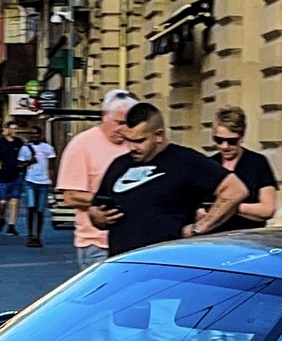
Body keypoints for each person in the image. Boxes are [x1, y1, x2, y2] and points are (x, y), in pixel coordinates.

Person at [84, 102, 248, 256]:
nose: (132, 147)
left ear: (159, 135)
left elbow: (235, 190)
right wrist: (96, 217)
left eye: (140, 141)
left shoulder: (185, 161)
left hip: (167, 263)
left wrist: (198, 229)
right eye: (128, 140)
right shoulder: (119, 165)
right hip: (125, 264)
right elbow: (97, 208)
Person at [58, 89, 139, 271]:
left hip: (136, 240)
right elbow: (70, 196)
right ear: (104, 116)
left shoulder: (136, 143)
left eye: (129, 123)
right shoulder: (82, 145)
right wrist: (111, 200)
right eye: (119, 123)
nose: (124, 129)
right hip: (98, 243)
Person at [209, 108, 279, 229]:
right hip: (215, 238)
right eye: (219, 140)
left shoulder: (258, 163)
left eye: (231, 141)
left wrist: (228, 207)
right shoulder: (210, 164)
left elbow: (268, 209)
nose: (225, 146)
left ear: (241, 137)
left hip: (249, 237)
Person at [17, 124, 57, 247]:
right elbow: (19, 165)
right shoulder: (25, 149)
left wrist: (53, 182)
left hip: (44, 183)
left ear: (40, 135)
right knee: (31, 208)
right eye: (32, 134)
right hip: (30, 181)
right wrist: (29, 161)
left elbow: (51, 166)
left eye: (36, 134)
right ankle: (30, 235)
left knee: (40, 211)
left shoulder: (48, 148)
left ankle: (38, 236)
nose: (34, 136)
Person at [0, 128, 26, 236]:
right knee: (2, 203)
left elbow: (23, 156)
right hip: (3, 176)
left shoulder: (19, 142)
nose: (15, 130)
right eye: (12, 128)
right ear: (7, 130)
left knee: (14, 202)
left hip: (16, 175)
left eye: (16, 128)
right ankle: (1, 218)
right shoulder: (1, 142)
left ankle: (11, 226)